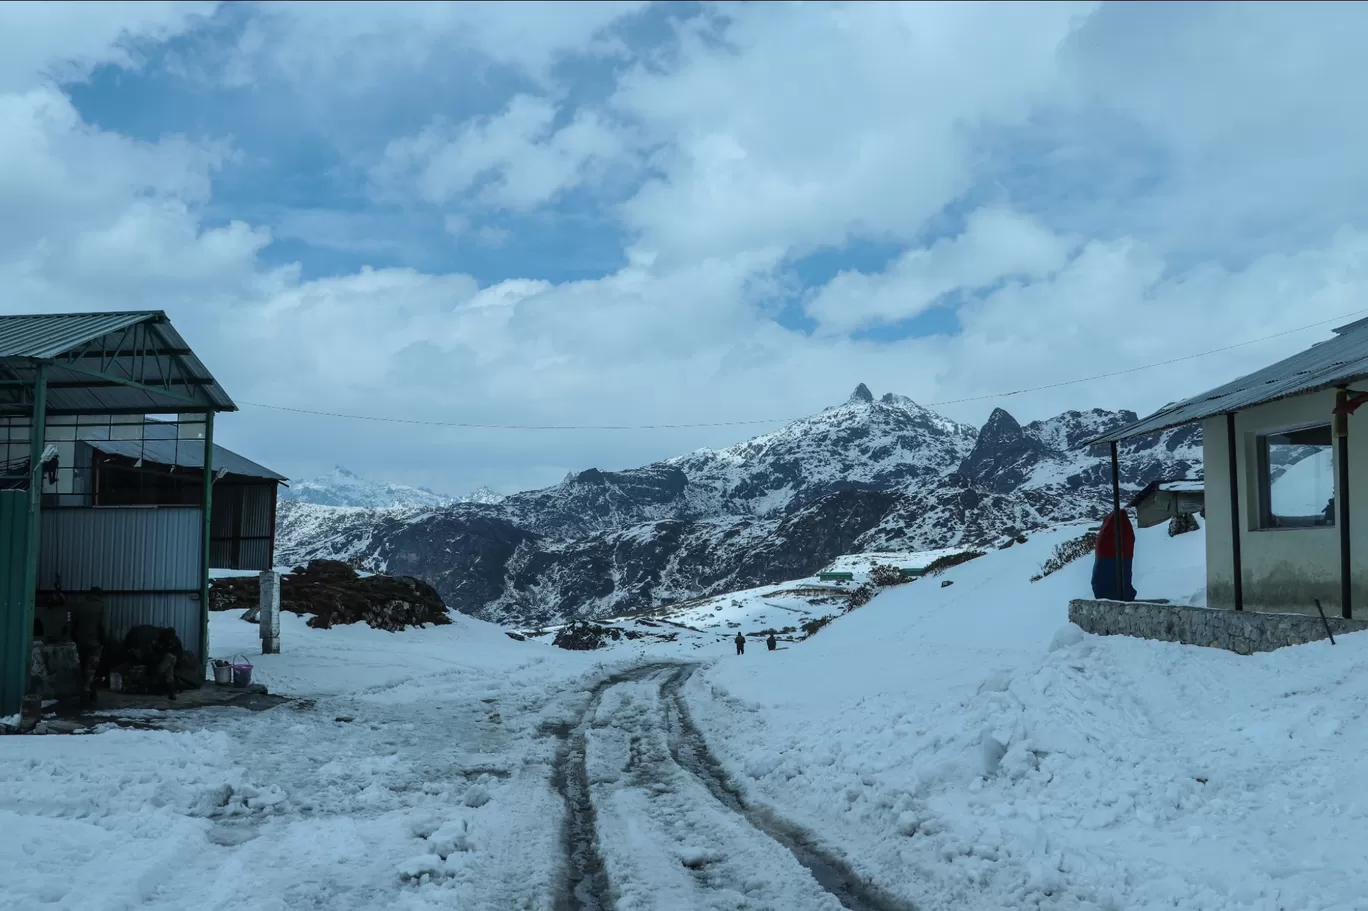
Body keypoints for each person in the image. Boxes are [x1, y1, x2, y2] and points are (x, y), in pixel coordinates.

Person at [70, 586, 106, 707]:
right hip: (95, 644)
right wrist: (104, 641)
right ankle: (86, 696)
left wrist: (75, 639)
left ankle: (90, 694)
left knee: (83, 669)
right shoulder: (101, 607)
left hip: (81, 643)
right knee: (91, 670)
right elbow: (102, 627)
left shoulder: (80, 606)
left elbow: (73, 626)